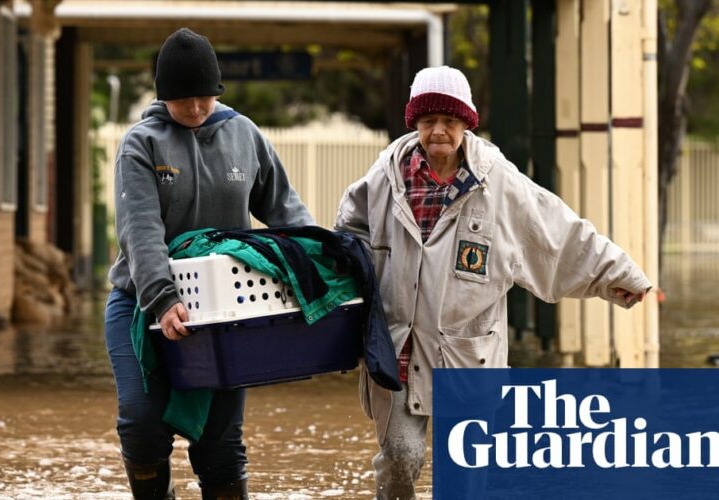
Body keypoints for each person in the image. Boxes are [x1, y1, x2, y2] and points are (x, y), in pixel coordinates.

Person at [334, 66, 652, 499]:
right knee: (400, 457)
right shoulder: (384, 177)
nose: (439, 132)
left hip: (467, 357)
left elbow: (559, 235)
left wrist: (621, 275)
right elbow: (348, 234)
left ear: (466, 123)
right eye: (428, 122)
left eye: (449, 121)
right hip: (399, 351)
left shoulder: (499, 183)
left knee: (462, 477)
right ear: (415, 124)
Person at [105, 28, 313, 499]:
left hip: (224, 313)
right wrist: (162, 299)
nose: (196, 109)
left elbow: (285, 211)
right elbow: (140, 231)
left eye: (204, 97)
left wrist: (316, 265)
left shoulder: (244, 134)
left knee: (220, 444)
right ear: (164, 97)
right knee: (141, 424)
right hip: (144, 305)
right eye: (183, 100)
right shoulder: (142, 144)